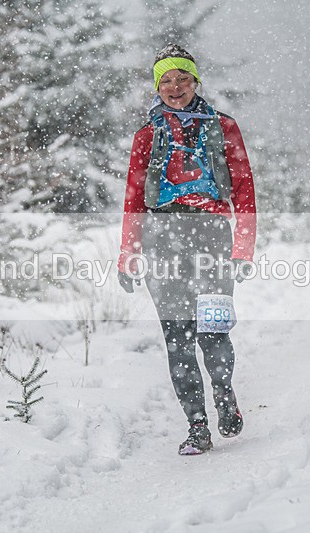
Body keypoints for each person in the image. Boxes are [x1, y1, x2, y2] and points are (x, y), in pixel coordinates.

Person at [116, 44, 257, 456]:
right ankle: (197, 425)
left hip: (213, 235)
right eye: (166, 81)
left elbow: (245, 187)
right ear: (156, 87)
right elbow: (133, 198)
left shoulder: (224, 127)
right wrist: (129, 253)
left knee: (212, 329)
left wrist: (243, 248)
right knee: (177, 337)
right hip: (162, 240)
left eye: (182, 79)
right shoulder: (146, 135)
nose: (175, 87)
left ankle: (225, 395)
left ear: (195, 81)